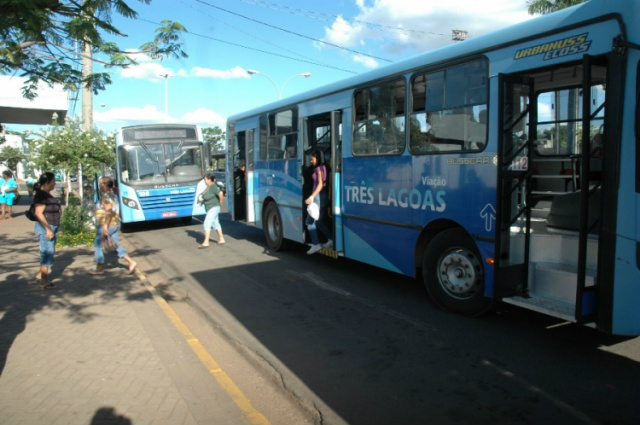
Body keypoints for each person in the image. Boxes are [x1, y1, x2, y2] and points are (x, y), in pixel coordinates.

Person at [90, 176, 137, 275]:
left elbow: (109, 212)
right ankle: (130, 262)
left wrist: (105, 227)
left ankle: (99, 268)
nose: (99, 186)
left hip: (108, 225)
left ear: (105, 185)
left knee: (98, 246)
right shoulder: (113, 195)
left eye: (100, 184)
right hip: (115, 224)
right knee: (115, 245)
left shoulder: (107, 197)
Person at [33, 172, 61, 289]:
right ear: (47, 182)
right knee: (47, 253)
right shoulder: (41, 195)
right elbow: (38, 213)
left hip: (52, 227)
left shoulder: (47, 194)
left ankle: (40, 275)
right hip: (46, 227)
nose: (55, 183)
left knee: (49, 252)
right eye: (53, 181)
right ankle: (44, 281)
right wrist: (48, 229)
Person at [305, 149, 333, 255]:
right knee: (319, 221)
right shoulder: (324, 167)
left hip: (318, 198)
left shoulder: (318, 169)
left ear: (317, 158)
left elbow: (320, 184)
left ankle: (315, 244)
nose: (311, 161)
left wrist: (312, 197)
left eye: (312, 159)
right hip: (323, 197)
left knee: (309, 222)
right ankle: (330, 239)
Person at [198, 171, 226, 248]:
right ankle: (221, 239)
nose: (204, 181)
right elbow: (206, 195)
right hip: (211, 208)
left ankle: (206, 242)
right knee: (215, 223)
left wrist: (220, 202)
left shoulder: (213, 186)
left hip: (213, 208)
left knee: (207, 224)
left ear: (209, 179)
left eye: (205, 179)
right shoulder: (208, 187)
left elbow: (220, 193)